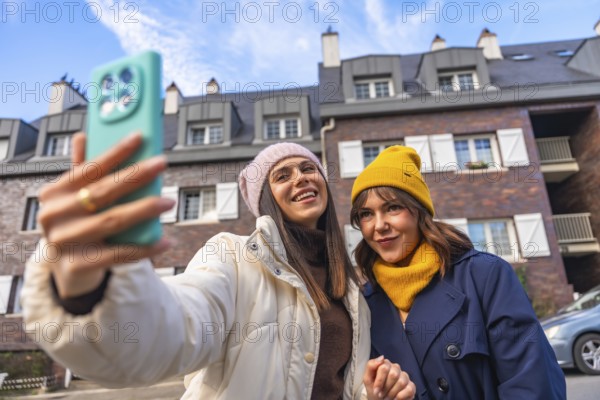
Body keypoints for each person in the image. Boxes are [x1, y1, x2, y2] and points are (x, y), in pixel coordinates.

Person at [21, 132, 416, 400]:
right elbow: (171, 331)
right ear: (265, 200)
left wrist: (372, 391)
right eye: (282, 175)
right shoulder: (230, 257)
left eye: (309, 168)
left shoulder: (351, 290)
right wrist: (91, 288)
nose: (301, 177)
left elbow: (338, 383)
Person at [348, 145, 566, 399]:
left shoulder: (485, 276)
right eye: (366, 214)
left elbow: (533, 383)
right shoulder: (366, 303)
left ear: (419, 212)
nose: (379, 225)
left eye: (393, 208)